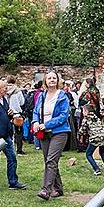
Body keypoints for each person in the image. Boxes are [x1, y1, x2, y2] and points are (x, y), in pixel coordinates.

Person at [32, 71, 71, 200]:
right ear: (45, 81)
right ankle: (58, 189)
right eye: (49, 78)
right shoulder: (42, 96)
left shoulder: (62, 96)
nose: (52, 80)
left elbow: (63, 116)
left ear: (58, 81)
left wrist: (47, 124)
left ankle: (46, 189)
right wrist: (36, 122)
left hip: (59, 132)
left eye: (54, 78)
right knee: (50, 161)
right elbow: (36, 111)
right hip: (44, 133)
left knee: (51, 160)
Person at [79, 103, 104, 175]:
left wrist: (80, 134)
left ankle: (97, 169)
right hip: (103, 137)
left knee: (88, 154)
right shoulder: (97, 117)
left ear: (86, 111)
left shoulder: (86, 119)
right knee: (102, 152)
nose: (82, 112)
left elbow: (82, 131)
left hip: (95, 138)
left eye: (83, 111)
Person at [6, 75, 26, 155]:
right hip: (17, 113)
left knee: (7, 132)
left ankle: (8, 148)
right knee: (19, 133)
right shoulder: (18, 91)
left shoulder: (5, 90)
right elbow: (22, 102)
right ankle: (19, 149)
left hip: (7, 112)